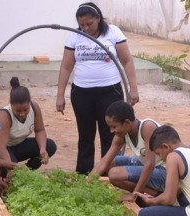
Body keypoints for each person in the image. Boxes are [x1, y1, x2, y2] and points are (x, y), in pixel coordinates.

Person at [56, 2, 139, 175]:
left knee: (110, 134)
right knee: (85, 135)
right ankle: (84, 173)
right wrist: (60, 95)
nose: (85, 28)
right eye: (82, 25)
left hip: (110, 92)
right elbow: (66, 66)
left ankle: (108, 173)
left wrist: (133, 88)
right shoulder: (74, 36)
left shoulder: (113, 32)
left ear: (98, 18)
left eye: (89, 24)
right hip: (82, 93)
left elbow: (127, 61)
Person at [90, 101, 165, 202]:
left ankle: (156, 194)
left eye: (114, 126)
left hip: (165, 173)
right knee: (110, 164)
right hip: (146, 165)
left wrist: (134, 195)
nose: (111, 131)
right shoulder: (121, 134)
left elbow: (150, 164)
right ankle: (148, 192)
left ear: (126, 123)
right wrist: (86, 183)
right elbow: (105, 161)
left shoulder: (147, 127)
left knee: (114, 174)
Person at [0, 77, 57, 177]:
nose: (22, 114)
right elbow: (1, 147)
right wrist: (10, 168)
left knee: (49, 146)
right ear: (11, 105)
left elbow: (39, 130)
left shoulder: (34, 107)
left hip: (17, 145)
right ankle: (6, 180)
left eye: (25, 110)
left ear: (30, 103)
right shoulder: (4, 115)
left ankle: (28, 172)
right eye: (18, 111)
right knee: (13, 172)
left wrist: (42, 149)